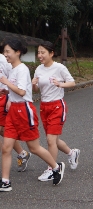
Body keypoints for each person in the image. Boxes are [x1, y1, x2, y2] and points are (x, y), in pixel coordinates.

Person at [0, 39, 65, 192]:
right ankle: (5, 181)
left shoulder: (22, 69)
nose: (5, 54)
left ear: (17, 52)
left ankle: (56, 167)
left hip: (25, 111)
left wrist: (5, 83)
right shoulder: (12, 69)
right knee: (6, 147)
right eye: (4, 52)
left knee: (34, 147)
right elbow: (17, 90)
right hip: (13, 111)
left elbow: (22, 92)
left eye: (8, 51)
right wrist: (6, 91)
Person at [32, 41, 79, 181]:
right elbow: (37, 89)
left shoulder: (59, 68)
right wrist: (34, 85)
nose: (40, 55)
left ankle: (52, 169)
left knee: (50, 140)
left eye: (43, 52)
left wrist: (60, 84)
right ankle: (72, 153)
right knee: (54, 140)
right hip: (44, 106)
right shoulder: (39, 69)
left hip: (57, 106)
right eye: (38, 52)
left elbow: (72, 82)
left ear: (51, 53)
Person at [0, 50, 31, 172]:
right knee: (3, 131)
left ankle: (21, 153)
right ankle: (22, 153)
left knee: (4, 130)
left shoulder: (3, 59)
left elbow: (12, 78)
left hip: (3, 97)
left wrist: (10, 98)